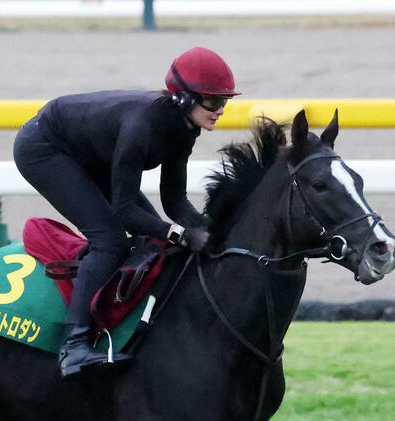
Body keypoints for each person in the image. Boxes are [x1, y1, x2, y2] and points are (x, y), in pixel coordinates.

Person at [13, 47, 240, 377]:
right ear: (184, 99)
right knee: (110, 241)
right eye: (214, 102)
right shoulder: (142, 127)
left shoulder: (184, 129)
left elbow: (175, 200)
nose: (220, 110)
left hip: (89, 150)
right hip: (44, 147)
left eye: (225, 103)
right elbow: (123, 210)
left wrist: (210, 230)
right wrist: (178, 233)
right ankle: (73, 346)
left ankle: (129, 325)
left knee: (150, 238)